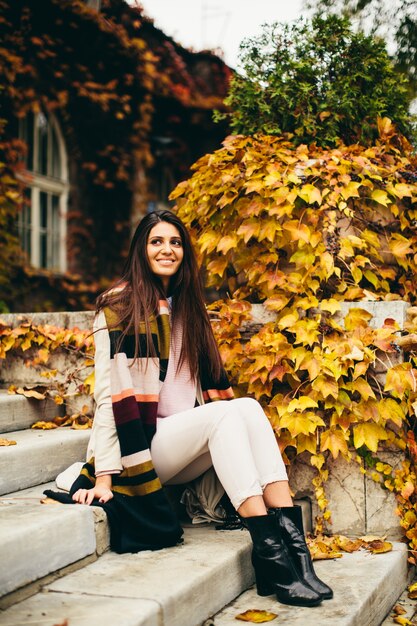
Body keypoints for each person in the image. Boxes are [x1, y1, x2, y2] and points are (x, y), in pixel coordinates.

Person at [47, 209, 332, 607]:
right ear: (141, 251)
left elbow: (210, 389)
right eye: (156, 241)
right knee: (224, 414)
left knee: (246, 407)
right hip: (142, 451)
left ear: (185, 252)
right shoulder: (118, 307)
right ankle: (272, 558)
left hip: (184, 444)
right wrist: (105, 478)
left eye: (175, 242)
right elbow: (110, 399)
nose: (167, 249)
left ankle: (297, 559)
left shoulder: (189, 307)